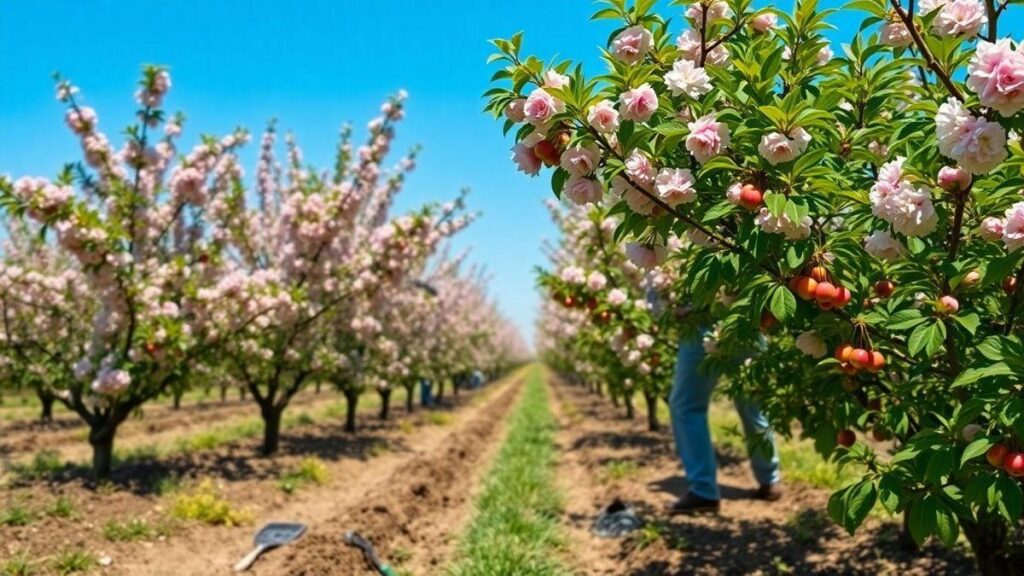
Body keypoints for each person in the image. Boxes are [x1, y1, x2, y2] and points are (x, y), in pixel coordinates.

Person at [666, 329, 782, 514]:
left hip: (701, 325)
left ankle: (703, 490)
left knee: (686, 406)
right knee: (754, 405)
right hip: (746, 323)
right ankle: (770, 480)